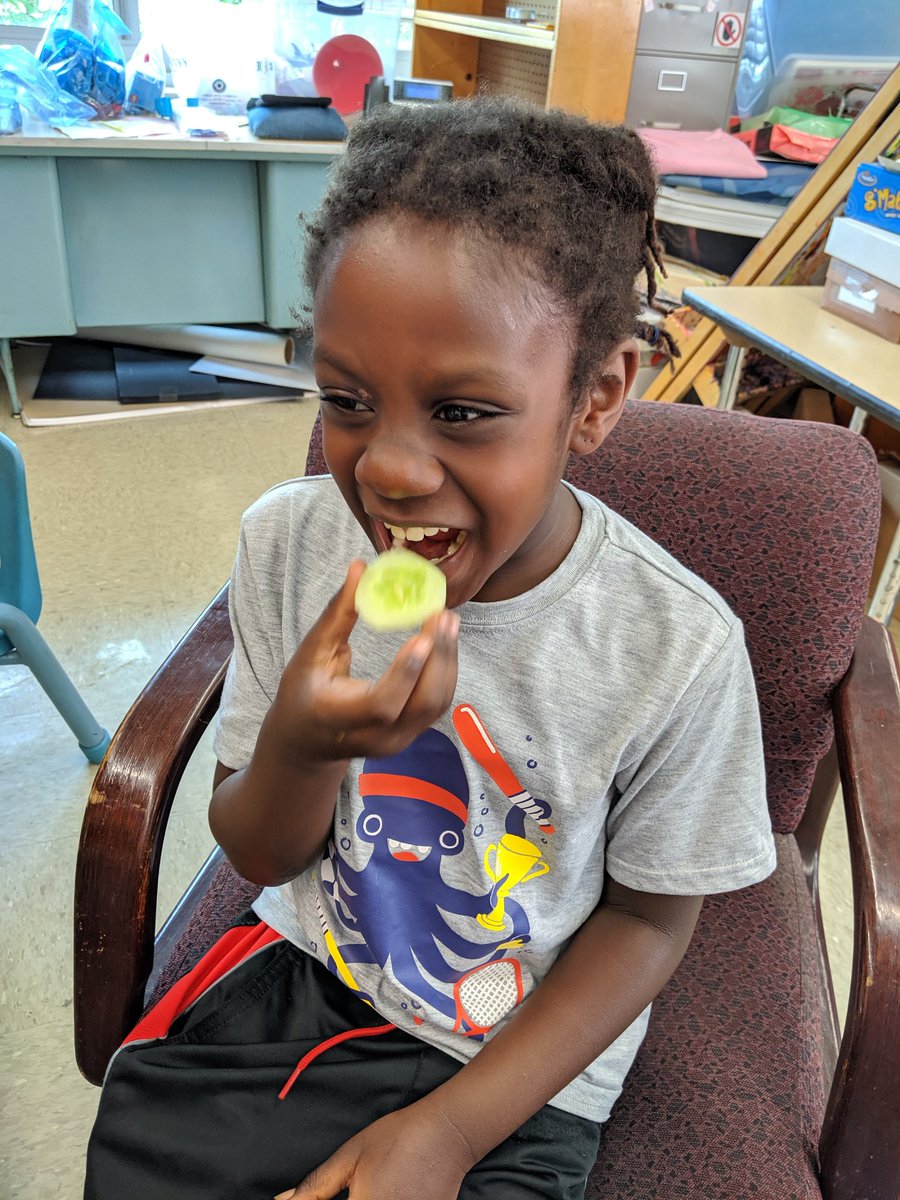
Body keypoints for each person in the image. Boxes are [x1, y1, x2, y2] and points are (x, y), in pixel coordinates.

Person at [84, 97, 776, 1200]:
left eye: (461, 412)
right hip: (303, 982)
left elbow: (649, 926)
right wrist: (304, 746)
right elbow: (259, 856)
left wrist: (449, 1134)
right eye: (348, 401)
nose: (390, 470)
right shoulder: (292, 544)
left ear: (593, 401)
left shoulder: (674, 647)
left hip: (519, 1066)